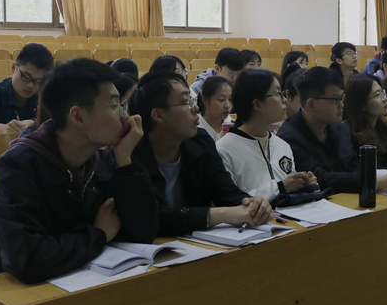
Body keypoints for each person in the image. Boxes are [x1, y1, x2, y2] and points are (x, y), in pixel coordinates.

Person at [0, 59, 159, 284]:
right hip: (16, 296)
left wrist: (125, 161)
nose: (126, 117)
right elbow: (27, 260)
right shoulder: (17, 167)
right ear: (78, 116)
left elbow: (143, 233)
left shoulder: (104, 162)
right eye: (115, 106)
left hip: (85, 284)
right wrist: (98, 235)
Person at [130, 71, 272, 236]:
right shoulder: (130, 155)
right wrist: (222, 214)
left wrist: (251, 204)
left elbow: (225, 190)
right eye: (186, 102)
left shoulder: (200, 142)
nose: (196, 108)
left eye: (193, 101)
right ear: (159, 115)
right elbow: (150, 217)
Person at [277, 67, 387, 194]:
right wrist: (372, 181)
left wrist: (385, 172)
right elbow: (319, 178)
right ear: (311, 104)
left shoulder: (339, 127)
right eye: (336, 99)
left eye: (342, 98)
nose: (342, 105)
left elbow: (353, 168)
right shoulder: (289, 138)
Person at [216, 69, 316, 202]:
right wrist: (280, 187)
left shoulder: (283, 145)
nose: (284, 100)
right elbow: (230, 201)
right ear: (257, 104)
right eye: (278, 94)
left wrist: (304, 183)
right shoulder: (223, 150)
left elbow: (289, 189)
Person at [344, 74, 387, 170]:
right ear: (361, 104)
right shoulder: (349, 134)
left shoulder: (384, 127)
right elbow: (357, 172)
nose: (385, 99)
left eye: (382, 92)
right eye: (377, 95)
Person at [197, 76, 233, 142]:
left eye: (230, 99)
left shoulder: (233, 126)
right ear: (205, 100)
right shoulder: (194, 128)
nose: (227, 105)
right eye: (221, 100)